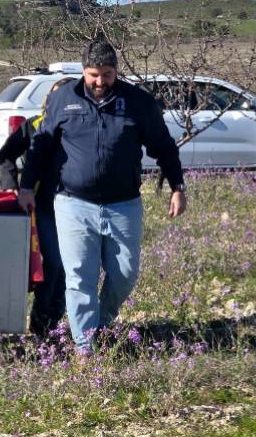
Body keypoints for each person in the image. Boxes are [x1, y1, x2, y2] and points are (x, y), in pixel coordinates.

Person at [18, 41, 187, 352]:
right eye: (94, 75)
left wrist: (177, 186)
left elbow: (163, 145)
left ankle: (102, 321)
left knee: (125, 273)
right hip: (73, 204)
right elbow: (41, 145)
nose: (100, 82)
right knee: (79, 277)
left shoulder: (137, 103)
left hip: (124, 204)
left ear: (116, 72)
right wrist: (27, 186)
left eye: (107, 74)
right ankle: (85, 347)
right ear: (83, 71)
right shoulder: (63, 99)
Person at [0, 77, 73, 339]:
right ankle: (42, 323)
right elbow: (5, 154)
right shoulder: (33, 127)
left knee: (69, 268)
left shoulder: (80, 127)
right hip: (43, 207)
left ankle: (56, 320)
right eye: (54, 97)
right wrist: (11, 185)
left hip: (77, 208)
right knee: (53, 264)